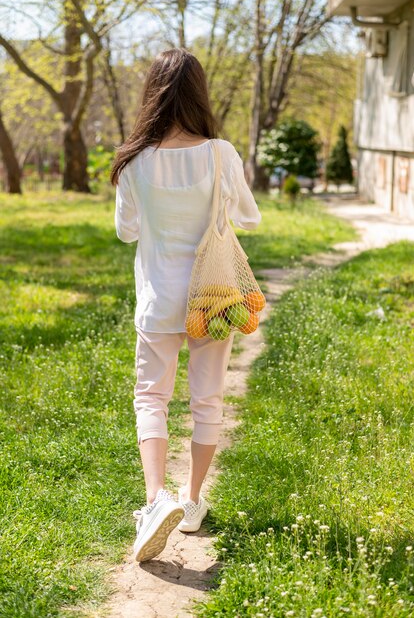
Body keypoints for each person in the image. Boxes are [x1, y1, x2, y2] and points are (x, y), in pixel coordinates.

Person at [110, 47, 261, 563]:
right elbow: (249, 215)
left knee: (151, 397)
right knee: (208, 399)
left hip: (157, 300)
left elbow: (126, 230)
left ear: (151, 92)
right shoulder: (221, 153)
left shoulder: (133, 161)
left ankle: (155, 501)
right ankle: (191, 502)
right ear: (199, 92)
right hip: (213, 300)